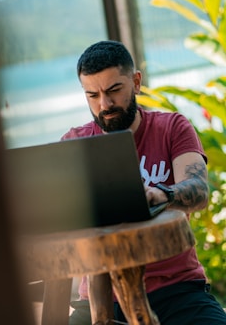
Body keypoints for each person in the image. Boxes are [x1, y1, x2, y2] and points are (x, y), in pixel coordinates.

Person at [61, 40, 226, 325]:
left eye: (114, 90)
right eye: (92, 95)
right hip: (99, 302)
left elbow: (198, 191)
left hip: (176, 290)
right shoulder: (75, 143)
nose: (105, 104)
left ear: (136, 82)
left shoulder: (172, 127)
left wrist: (160, 194)